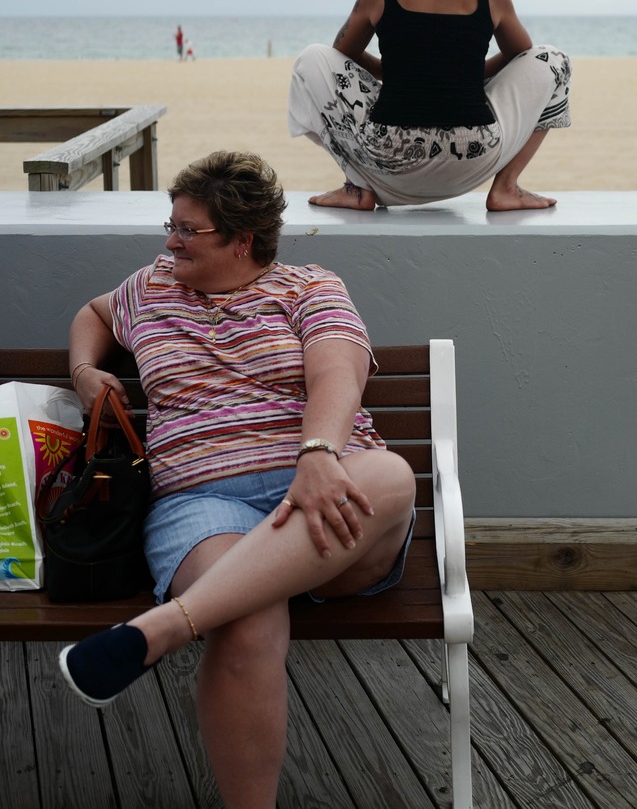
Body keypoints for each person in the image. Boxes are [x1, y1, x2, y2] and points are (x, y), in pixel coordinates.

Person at [59, 151, 416, 809]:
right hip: (202, 501)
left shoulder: (309, 287)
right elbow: (94, 312)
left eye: (187, 230)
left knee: (391, 474)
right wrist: (85, 370)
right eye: (170, 224)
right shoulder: (151, 286)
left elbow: (338, 375)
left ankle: (166, 627)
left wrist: (317, 454)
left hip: (322, 494)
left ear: (243, 240)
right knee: (247, 619)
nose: (170, 241)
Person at [288, 0, 571, 211]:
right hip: (474, 154)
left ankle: (356, 186)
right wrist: (472, 74)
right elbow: (521, 53)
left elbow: (340, 55)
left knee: (311, 59)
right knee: (553, 59)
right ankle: (506, 187)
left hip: (390, 158)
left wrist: (391, 73)